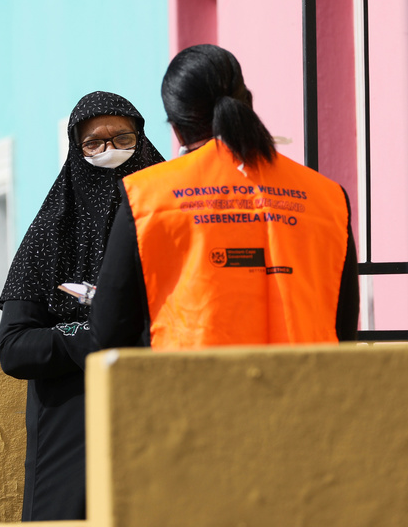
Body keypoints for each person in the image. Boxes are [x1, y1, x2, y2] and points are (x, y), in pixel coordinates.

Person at [92, 44, 359, 351]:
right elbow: (344, 328)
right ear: (248, 103)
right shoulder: (328, 197)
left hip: (189, 380)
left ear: (177, 127)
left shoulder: (145, 197)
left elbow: (109, 333)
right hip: (308, 379)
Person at [0, 91, 165, 520]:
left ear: (142, 140)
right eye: (94, 143)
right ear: (77, 150)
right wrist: (93, 335)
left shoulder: (171, 217)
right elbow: (14, 347)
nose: (110, 151)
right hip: (71, 425)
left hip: (160, 412)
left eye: (122, 138)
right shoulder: (51, 231)